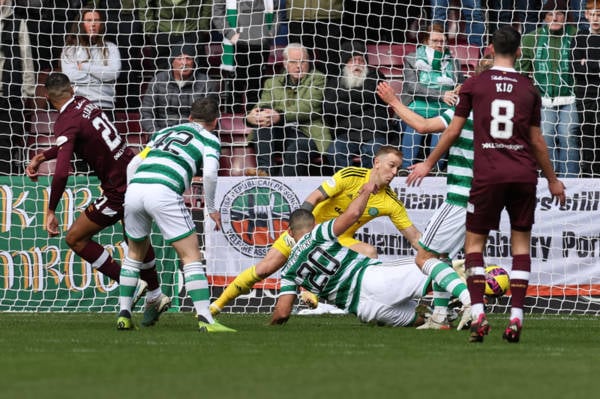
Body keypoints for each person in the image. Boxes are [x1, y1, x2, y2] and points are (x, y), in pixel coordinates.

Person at [406, 26, 566, 343]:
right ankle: (516, 317)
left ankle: (479, 313)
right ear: (520, 52)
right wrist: (552, 179)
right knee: (521, 247)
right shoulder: (529, 88)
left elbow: (450, 132)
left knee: (473, 248)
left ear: (490, 49)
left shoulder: (475, 84)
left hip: (487, 175)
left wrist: (428, 162)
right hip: (523, 174)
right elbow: (537, 140)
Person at [209, 146, 422, 315]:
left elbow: (414, 237)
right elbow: (314, 197)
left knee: (369, 252)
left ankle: (334, 302)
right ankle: (215, 307)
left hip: (338, 239)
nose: (394, 173)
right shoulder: (350, 175)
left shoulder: (391, 201)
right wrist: (301, 231)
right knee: (264, 269)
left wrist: (434, 254)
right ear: (377, 163)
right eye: (391, 166)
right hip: (308, 232)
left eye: (398, 169)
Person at [24, 73, 166, 319]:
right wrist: (41, 156)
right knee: (135, 239)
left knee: (75, 238)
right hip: (135, 171)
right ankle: (155, 294)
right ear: (72, 88)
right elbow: (70, 141)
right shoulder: (84, 102)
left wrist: (50, 210)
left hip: (118, 189)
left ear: (46, 96)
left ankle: (130, 282)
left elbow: (61, 173)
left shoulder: (65, 122)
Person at [375, 56, 496, 330]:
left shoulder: (468, 109)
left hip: (461, 195)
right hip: (487, 196)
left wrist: (394, 102)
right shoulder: (502, 114)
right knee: (444, 258)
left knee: (424, 256)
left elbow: (423, 126)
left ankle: (470, 303)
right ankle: (440, 315)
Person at [116, 96, 235, 333]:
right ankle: (205, 319)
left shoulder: (164, 132)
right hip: (164, 190)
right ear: (215, 122)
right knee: (191, 256)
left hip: (135, 189)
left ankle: (124, 315)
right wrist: (211, 208)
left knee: (133, 255)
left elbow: (132, 164)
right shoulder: (209, 138)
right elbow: (210, 174)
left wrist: (132, 194)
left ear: (190, 117)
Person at [270, 182, 430, 327]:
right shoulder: (319, 232)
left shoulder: (288, 272)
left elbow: (282, 313)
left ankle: (439, 317)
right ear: (314, 224)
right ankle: (448, 302)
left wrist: (271, 325)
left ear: (289, 232)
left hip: (365, 310)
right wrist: (366, 191)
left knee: (426, 320)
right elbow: (352, 215)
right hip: (371, 280)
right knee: (432, 268)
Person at [245, 43, 330, 176]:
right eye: (293, 62)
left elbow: (309, 107)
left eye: (303, 62)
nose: (298, 66)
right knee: (263, 120)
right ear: (285, 63)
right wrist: (250, 117)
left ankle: (280, 190)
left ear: (308, 62)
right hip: (280, 133)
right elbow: (262, 105)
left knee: (295, 150)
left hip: (307, 134)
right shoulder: (271, 82)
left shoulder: (318, 78)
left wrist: (279, 115)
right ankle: (265, 171)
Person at [517, 0, 579, 178]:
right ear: (544, 17)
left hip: (570, 97)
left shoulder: (576, 35)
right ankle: (549, 180)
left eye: (559, 13)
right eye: (550, 14)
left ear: (565, 17)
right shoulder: (531, 38)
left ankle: (572, 182)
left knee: (568, 136)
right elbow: (521, 71)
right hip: (542, 99)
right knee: (546, 137)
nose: (555, 18)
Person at [401, 23, 465, 172]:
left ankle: (435, 170)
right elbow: (413, 87)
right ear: (425, 42)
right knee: (414, 126)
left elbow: (461, 82)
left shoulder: (453, 62)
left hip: (444, 108)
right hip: (416, 106)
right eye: (435, 41)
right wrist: (441, 95)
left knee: (443, 126)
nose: (439, 45)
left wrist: (461, 87)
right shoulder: (412, 58)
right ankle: (405, 170)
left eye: (442, 41)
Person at [323, 40, 393, 169]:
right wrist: (363, 103)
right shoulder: (334, 81)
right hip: (346, 134)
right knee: (334, 152)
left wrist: (342, 99)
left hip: (374, 133)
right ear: (345, 64)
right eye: (353, 60)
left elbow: (369, 94)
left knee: (373, 152)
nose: (358, 64)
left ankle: (368, 187)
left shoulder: (375, 75)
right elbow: (329, 107)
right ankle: (347, 185)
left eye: (361, 60)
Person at [212, 0, 278, 112]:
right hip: (236, 44)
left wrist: (271, 31)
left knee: (256, 87)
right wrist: (230, 34)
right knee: (235, 87)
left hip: (261, 44)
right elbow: (217, 14)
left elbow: (276, 11)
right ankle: (233, 123)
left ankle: (253, 123)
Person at [140, 43, 219, 134]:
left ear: (194, 62)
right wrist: (157, 134)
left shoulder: (207, 83)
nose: (184, 63)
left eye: (188, 59)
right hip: (161, 134)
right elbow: (146, 113)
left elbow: (210, 117)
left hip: (195, 136)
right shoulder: (158, 80)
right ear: (172, 62)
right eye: (180, 58)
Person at [60, 7, 122, 119]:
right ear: (81, 24)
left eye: (96, 20)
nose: (93, 24)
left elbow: (113, 73)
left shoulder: (111, 48)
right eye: (88, 20)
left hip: (104, 106)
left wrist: (84, 66)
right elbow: (70, 76)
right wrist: (100, 79)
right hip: (78, 106)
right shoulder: (69, 50)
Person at [0, 0, 35, 175]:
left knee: (7, 142)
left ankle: (4, 186)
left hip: (10, 93)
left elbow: (26, 57)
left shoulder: (17, 22)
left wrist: (27, 91)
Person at [136, 0, 212, 72]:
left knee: (195, 71)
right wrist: (150, 29)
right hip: (162, 31)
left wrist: (203, 26)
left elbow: (207, 3)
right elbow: (144, 4)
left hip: (192, 30)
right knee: (161, 72)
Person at [572, 0, 600, 177]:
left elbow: (584, 67)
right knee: (587, 136)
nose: (596, 18)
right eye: (593, 14)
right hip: (585, 95)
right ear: (586, 16)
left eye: (599, 15)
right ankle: (589, 177)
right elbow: (575, 68)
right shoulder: (579, 37)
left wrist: (587, 64)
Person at [287, 0, 344, 76]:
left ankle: (330, 85)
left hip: (330, 14)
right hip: (298, 13)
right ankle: (300, 86)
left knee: (331, 61)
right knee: (298, 60)